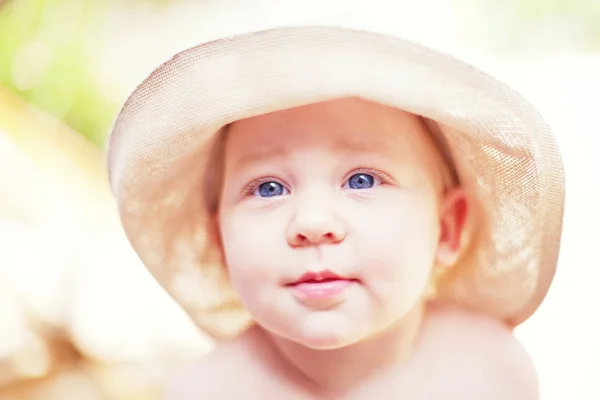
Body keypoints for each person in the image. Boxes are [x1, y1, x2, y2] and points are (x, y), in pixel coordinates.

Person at [106, 26, 565, 399]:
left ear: (447, 228)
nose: (312, 223)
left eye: (362, 180)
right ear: (219, 242)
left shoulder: (488, 368)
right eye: (268, 187)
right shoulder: (209, 391)